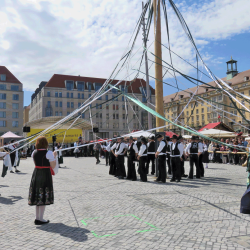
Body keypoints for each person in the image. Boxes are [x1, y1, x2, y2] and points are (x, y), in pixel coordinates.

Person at [28, 136, 57, 225]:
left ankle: (37, 218)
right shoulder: (48, 153)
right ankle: (40, 219)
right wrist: (54, 156)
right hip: (44, 174)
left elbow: (36, 163)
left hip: (36, 173)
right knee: (43, 195)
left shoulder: (34, 152)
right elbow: (53, 166)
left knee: (38, 195)